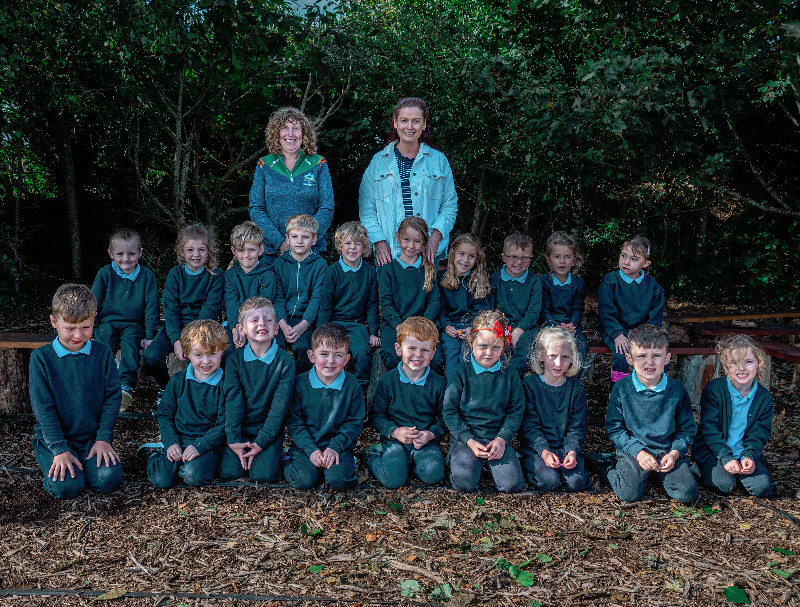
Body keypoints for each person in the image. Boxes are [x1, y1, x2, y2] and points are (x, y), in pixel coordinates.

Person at [29, 284, 123, 499]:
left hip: (91, 437)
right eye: (70, 328)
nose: (78, 335)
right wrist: (59, 449)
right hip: (55, 439)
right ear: (54, 322)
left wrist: (103, 438)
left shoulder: (103, 353)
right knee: (67, 488)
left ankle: (86, 462)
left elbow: (112, 398)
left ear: (94, 319)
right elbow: (43, 408)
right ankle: (55, 457)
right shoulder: (41, 358)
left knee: (108, 479)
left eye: (86, 327)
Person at [602, 324, 698, 503]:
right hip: (634, 450)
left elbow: (686, 430)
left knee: (687, 493)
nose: (650, 362)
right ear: (629, 359)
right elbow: (615, 429)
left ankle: (652, 475)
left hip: (666, 450)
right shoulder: (622, 389)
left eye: (657, 356)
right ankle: (604, 465)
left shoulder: (677, 391)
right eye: (642, 356)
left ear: (667, 358)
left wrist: (675, 453)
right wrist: (638, 452)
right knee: (629, 494)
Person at [358, 97, 457, 267]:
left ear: (424, 124)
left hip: (427, 254)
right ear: (395, 123)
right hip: (389, 254)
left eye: (416, 121)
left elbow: (449, 205)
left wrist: (435, 237)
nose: (409, 127)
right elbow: (367, 209)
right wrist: (378, 241)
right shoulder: (378, 162)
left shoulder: (438, 161)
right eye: (404, 120)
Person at [443, 310, 525, 493]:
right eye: (483, 346)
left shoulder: (509, 374)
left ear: (503, 346)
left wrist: (503, 438)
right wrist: (467, 439)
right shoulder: (460, 372)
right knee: (464, 484)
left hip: (497, 437)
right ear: (471, 343)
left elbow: (516, 410)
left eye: (496, 347)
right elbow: (449, 411)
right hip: (468, 437)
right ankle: (458, 457)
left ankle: (491, 463)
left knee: (511, 485)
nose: (489, 352)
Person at [145, 320, 228, 488]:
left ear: (222, 351)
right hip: (178, 439)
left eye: (212, 354)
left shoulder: (225, 384)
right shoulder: (178, 381)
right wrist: (171, 442)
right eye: (198, 355)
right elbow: (165, 414)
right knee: (161, 479)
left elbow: (224, 424)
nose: (206, 361)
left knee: (192, 475)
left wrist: (200, 446)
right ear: (187, 353)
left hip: (208, 444)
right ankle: (152, 454)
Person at [220, 297, 295, 483]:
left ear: (276, 328)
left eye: (268, 319)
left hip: (268, 432)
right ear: (241, 329)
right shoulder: (234, 360)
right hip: (240, 430)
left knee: (264, 476)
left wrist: (261, 442)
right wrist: (233, 439)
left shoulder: (285, 361)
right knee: (229, 472)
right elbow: (233, 402)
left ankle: (278, 455)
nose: (262, 324)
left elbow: (279, 409)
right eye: (254, 320)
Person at [141, 223, 224, 389]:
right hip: (176, 325)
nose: (196, 255)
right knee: (151, 356)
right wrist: (177, 340)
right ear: (181, 251)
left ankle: (205, 391)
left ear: (209, 251)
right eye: (190, 250)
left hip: (204, 327)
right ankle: (169, 388)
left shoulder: (215, 275)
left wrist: (192, 341)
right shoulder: (175, 274)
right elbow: (170, 309)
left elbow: (210, 309)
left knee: (207, 359)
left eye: (201, 250)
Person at [693, 336, 777, 497]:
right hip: (715, 451)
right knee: (724, 485)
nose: (741, 368)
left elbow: (758, 434)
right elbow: (709, 430)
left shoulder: (763, 397)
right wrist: (726, 458)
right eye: (734, 362)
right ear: (725, 366)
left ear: (759, 364)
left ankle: (742, 468)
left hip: (743, 451)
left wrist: (749, 456)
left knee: (763, 488)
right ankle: (701, 467)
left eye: (748, 362)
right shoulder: (714, 390)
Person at [248, 107, 334, 265]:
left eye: (296, 128)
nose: (290, 134)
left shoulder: (318, 163)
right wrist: (281, 242)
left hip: (311, 253)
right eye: (284, 128)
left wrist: (306, 240)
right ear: (276, 133)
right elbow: (256, 208)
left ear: (304, 133)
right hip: (273, 253)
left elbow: (327, 207)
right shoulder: (264, 165)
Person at [367, 317, 446, 488]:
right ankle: (372, 455)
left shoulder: (438, 384)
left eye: (425, 350)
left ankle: (410, 465)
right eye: (411, 348)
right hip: (396, 440)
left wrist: (431, 434)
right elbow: (377, 415)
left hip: (423, 441)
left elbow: (444, 418)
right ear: (398, 349)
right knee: (392, 480)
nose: (418, 355)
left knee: (434, 474)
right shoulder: (388, 381)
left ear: (433, 353)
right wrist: (394, 432)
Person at [283, 324, 365, 490]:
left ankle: (346, 464)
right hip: (306, 447)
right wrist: (311, 450)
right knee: (304, 480)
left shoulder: (352, 384)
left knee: (339, 481)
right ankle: (289, 459)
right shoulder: (300, 383)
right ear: (311, 356)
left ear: (346, 359)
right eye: (324, 354)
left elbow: (354, 422)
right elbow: (295, 423)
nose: (330, 361)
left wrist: (335, 447)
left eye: (338, 355)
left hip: (338, 447)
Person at [91, 228, 159, 408]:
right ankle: (103, 383)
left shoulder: (146, 276)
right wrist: (90, 328)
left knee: (130, 344)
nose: (126, 259)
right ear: (111, 253)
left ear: (140, 253)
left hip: (133, 325)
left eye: (131, 254)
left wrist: (150, 335)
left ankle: (125, 387)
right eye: (120, 254)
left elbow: (151, 307)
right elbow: (93, 302)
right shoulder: (105, 273)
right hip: (107, 322)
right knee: (104, 343)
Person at [519, 327, 591, 492]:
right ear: (541, 355)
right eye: (552, 356)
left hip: (564, 447)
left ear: (572, 358)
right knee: (549, 482)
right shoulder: (529, 385)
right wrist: (543, 451)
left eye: (565, 357)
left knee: (577, 483)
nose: (558, 363)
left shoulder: (575, 388)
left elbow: (577, 426)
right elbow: (529, 425)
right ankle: (526, 463)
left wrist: (572, 451)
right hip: (537, 449)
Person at [316, 221, 380, 395]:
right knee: (330, 353)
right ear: (339, 246)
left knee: (362, 353)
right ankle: (328, 391)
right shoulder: (333, 271)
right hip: (333, 323)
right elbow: (325, 305)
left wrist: (373, 332)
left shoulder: (369, 272)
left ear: (364, 247)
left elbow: (372, 304)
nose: (352, 248)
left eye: (357, 244)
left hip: (356, 324)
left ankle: (360, 393)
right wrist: (320, 331)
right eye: (347, 243)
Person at [597, 236, 664, 383]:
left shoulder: (653, 287)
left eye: (633, 259)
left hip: (642, 332)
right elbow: (606, 312)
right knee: (622, 353)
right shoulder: (610, 281)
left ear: (645, 264)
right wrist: (617, 334)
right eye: (623, 256)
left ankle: (650, 389)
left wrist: (646, 337)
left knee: (655, 353)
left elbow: (655, 317)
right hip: (614, 330)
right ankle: (618, 391)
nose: (626, 262)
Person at [377, 216, 440, 371]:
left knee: (436, 359)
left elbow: (434, 301)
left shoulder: (428, 269)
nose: (411, 246)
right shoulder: (389, 269)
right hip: (395, 325)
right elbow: (385, 303)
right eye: (406, 240)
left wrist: (424, 324)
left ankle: (424, 385)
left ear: (424, 243)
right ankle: (400, 384)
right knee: (392, 355)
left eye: (417, 241)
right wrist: (398, 325)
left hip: (423, 325)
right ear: (398, 237)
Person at [272, 214, 328, 374]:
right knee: (274, 346)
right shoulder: (279, 264)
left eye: (305, 237)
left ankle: (300, 384)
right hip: (281, 319)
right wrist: (283, 324)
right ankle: (277, 384)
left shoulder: (320, 265)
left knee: (304, 348)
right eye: (295, 236)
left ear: (314, 240)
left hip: (306, 321)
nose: (300, 241)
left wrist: (303, 325)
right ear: (287, 239)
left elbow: (317, 298)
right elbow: (278, 297)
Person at [438, 233, 493, 378]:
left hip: (470, 326)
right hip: (449, 326)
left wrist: (471, 327)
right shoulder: (441, 278)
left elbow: (481, 310)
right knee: (451, 350)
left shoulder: (478, 281)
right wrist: (446, 325)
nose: (465, 260)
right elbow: (439, 307)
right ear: (452, 253)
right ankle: (451, 386)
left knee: (467, 353)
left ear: (477, 259)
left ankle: (466, 387)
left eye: (471, 256)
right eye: (461, 254)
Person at [490, 232, 542, 376]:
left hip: (526, 327)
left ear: (530, 259)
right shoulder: (495, 280)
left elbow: (534, 313)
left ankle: (512, 378)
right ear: (503, 257)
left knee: (524, 347)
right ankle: (496, 378)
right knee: (497, 346)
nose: (518, 262)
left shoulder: (534, 282)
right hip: (500, 325)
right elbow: (490, 310)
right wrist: (503, 329)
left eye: (524, 258)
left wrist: (519, 329)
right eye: (513, 257)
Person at [539, 231, 588, 375]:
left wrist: (572, 325)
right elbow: (543, 310)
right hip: (549, 325)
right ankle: (549, 378)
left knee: (582, 344)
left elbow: (578, 308)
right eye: (557, 257)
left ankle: (572, 380)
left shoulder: (578, 283)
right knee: (548, 346)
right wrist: (555, 326)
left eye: (567, 257)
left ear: (574, 260)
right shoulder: (543, 282)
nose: (562, 261)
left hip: (571, 326)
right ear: (549, 260)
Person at [224, 221, 277, 350]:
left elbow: (263, 306)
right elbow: (231, 303)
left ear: (261, 249)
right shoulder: (229, 275)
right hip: (236, 323)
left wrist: (246, 331)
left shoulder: (268, 274)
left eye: (251, 250)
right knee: (226, 347)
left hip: (260, 323)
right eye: (241, 250)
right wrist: (236, 329)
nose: (246, 255)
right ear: (234, 251)